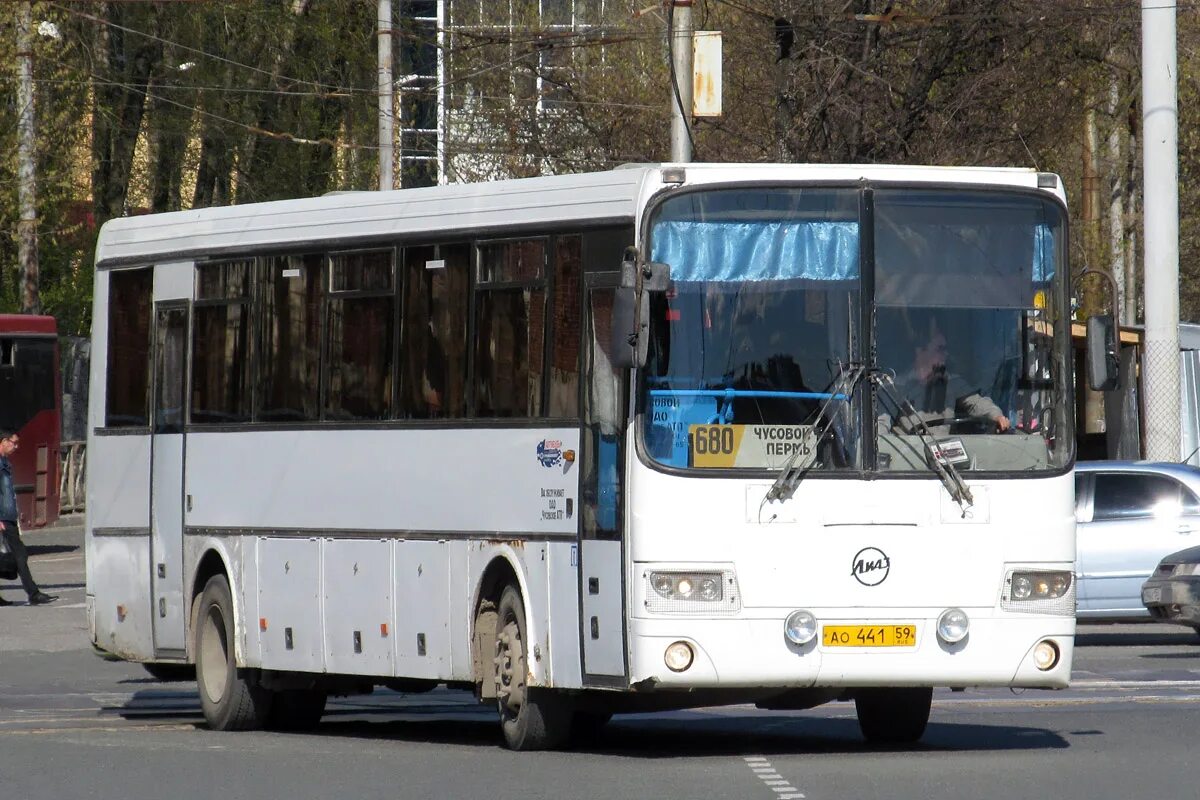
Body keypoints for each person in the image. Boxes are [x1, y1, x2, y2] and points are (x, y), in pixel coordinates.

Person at [888, 316, 1011, 434]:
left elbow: (976, 403)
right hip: (907, 453)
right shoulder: (895, 386)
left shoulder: (953, 382)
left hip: (943, 450)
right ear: (920, 351)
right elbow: (880, 426)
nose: (946, 354)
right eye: (940, 349)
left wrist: (997, 416)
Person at [0, 430, 57, 606]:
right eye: (13, 442)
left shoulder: (5, 463)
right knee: (20, 554)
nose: (16, 447)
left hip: (8, 516)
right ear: (3, 441)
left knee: (17, 554)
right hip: (2, 518)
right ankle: (33, 593)